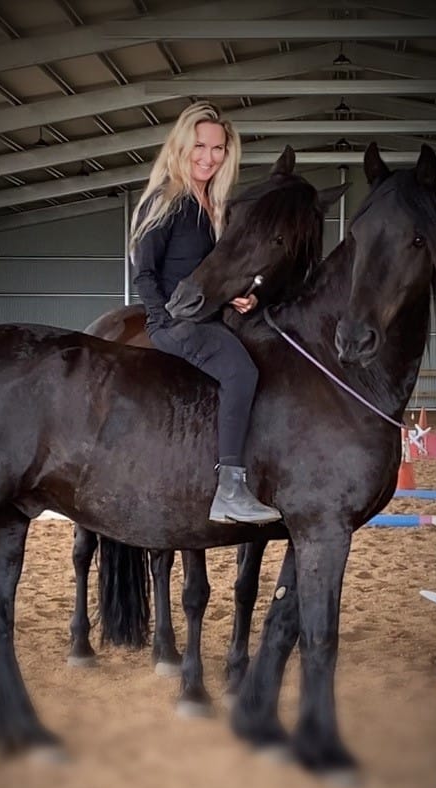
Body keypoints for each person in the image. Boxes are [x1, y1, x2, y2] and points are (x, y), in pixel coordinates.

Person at [129, 101, 282, 525]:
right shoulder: (167, 201)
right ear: (181, 145)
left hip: (209, 319)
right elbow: (143, 273)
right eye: (199, 145)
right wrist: (163, 322)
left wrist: (241, 297)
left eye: (218, 148)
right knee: (241, 373)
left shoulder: (214, 206)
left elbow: (212, 278)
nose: (208, 157)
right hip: (176, 325)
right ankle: (229, 490)